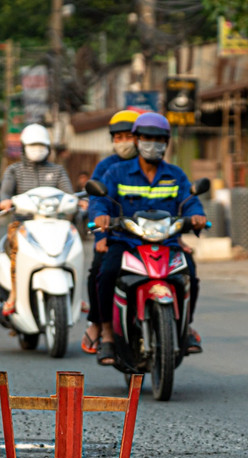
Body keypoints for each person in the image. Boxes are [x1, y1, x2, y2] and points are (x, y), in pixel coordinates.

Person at [94, 111, 206, 367]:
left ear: (166, 142)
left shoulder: (175, 175)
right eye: (146, 138)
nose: (152, 144)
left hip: (167, 243)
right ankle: (107, 334)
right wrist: (100, 216)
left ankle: (186, 327)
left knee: (190, 274)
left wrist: (197, 216)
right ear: (137, 140)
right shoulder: (116, 172)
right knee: (107, 273)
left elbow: (190, 202)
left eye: (158, 139)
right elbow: (101, 201)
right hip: (126, 242)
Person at [0, 123, 73, 315]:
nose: (37, 149)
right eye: (33, 145)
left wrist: (77, 202)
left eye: (41, 145)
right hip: (23, 224)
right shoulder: (14, 170)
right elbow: (5, 193)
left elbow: (69, 194)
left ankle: (75, 294)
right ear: (24, 147)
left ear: (48, 148)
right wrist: (5, 201)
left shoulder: (57, 171)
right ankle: (14, 294)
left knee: (72, 245)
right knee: (14, 249)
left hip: (54, 224)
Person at [81, 109, 139, 355]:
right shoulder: (107, 167)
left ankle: (183, 326)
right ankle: (99, 324)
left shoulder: (154, 166)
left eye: (129, 136)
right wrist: (101, 236)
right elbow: (97, 202)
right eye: (118, 137)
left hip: (153, 236)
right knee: (100, 272)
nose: (124, 142)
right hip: (117, 235)